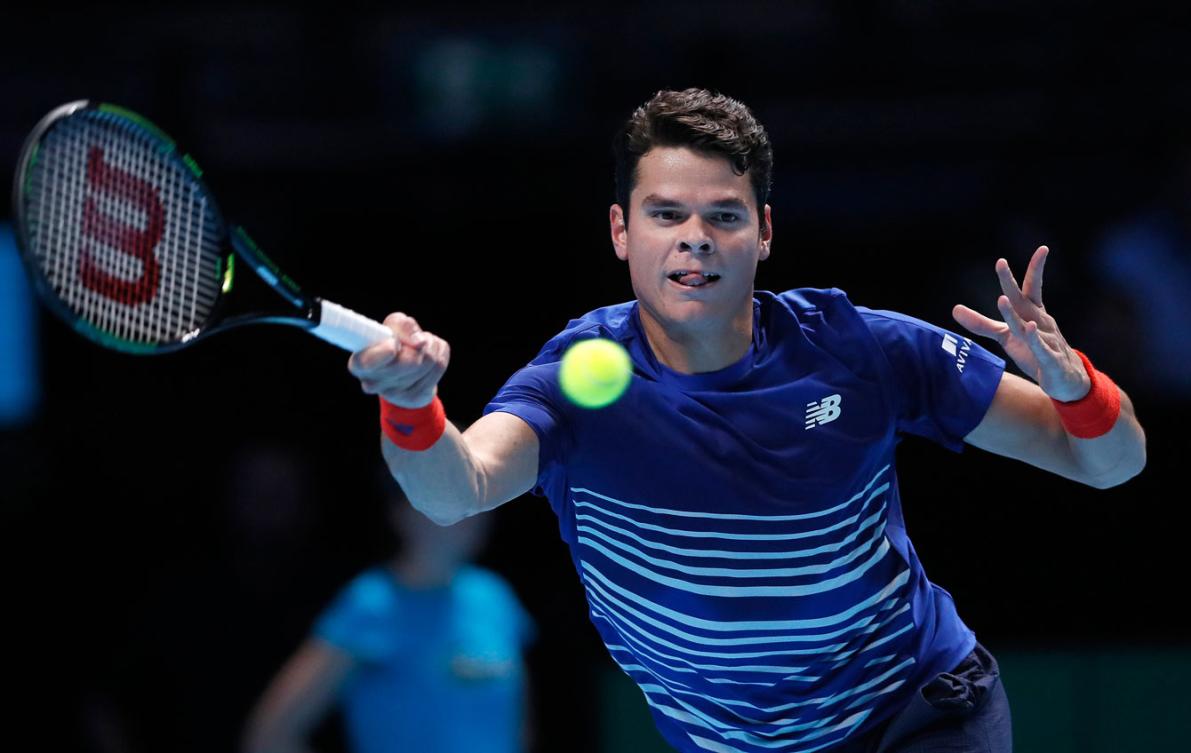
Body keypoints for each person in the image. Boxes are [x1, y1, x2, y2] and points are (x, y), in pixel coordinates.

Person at [347, 89, 1146, 753]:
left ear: (764, 232)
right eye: (664, 214)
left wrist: (1076, 389)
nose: (694, 236)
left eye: (724, 216)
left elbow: (1111, 463)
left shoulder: (859, 348)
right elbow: (455, 490)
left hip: (914, 714)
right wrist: (413, 405)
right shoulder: (573, 383)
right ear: (622, 231)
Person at [242, 476, 535, 753]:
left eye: (475, 488)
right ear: (400, 511)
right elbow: (270, 735)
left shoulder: (495, 597)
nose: (468, 508)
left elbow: (518, 727)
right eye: (447, 488)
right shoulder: (371, 603)